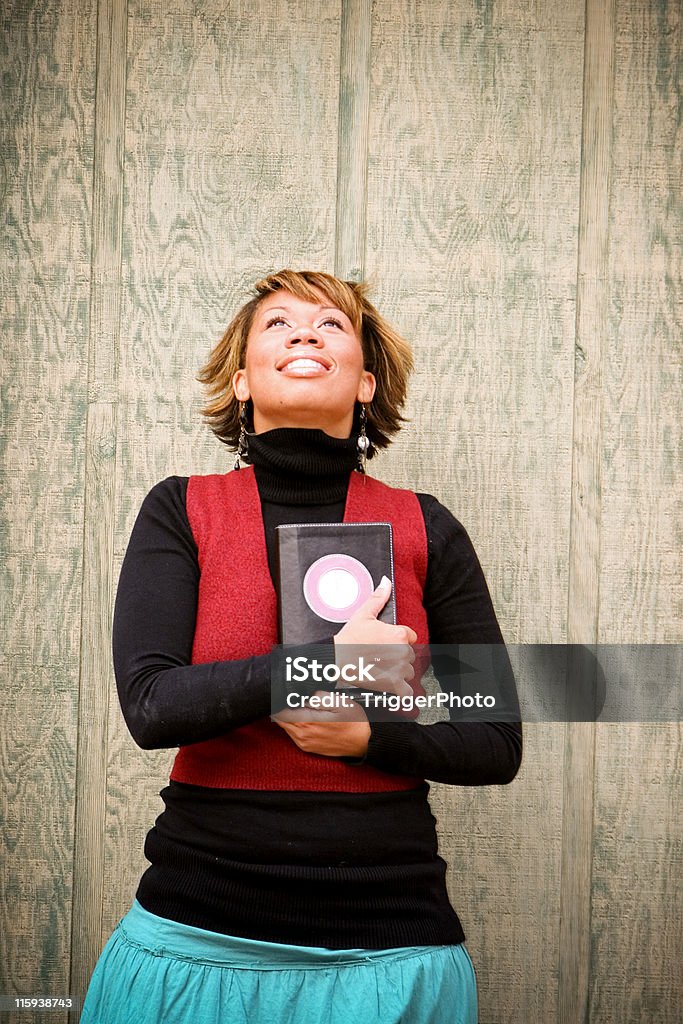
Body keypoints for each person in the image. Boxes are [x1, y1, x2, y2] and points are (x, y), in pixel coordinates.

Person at [80, 269, 522, 1024]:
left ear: (365, 385)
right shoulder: (181, 509)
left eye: (331, 325)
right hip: (197, 933)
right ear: (243, 381)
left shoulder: (426, 526)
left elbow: (494, 738)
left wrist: (371, 739)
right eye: (277, 324)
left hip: (387, 947)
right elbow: (151, 705)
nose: (306, 334)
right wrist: (317, 667)